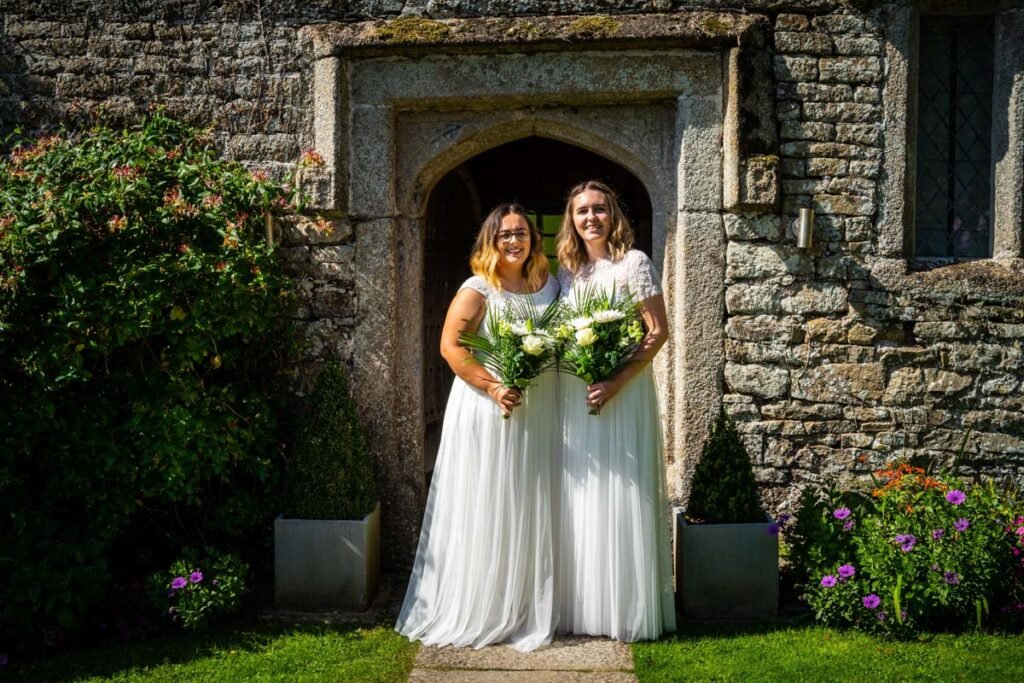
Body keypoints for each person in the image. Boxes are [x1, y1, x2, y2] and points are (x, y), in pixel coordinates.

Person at [396, 203, 560, 652]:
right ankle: (485, 604)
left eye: (521, 233)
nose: (514, 241)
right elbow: (450, 347)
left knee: (531, 498)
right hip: (487, 406)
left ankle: (527, 601)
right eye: (504, 234)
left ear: (533, 240)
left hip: (540, 405)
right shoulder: (478, 288)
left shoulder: (551, 285)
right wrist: (493, 387)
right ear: (491, 241)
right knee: (490, 498)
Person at [555, 180, 676, 642]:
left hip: (622, 393)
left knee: (623, 492)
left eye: (600, 210)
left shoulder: (635, 263)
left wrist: (615, 380)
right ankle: (585, 607)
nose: (591, 218)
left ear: (613, 215)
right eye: (582, 211)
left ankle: (625, 607)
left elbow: (657, 331)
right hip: (577, 393)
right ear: (572, 220)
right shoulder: (568, 274)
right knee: (582, 494)